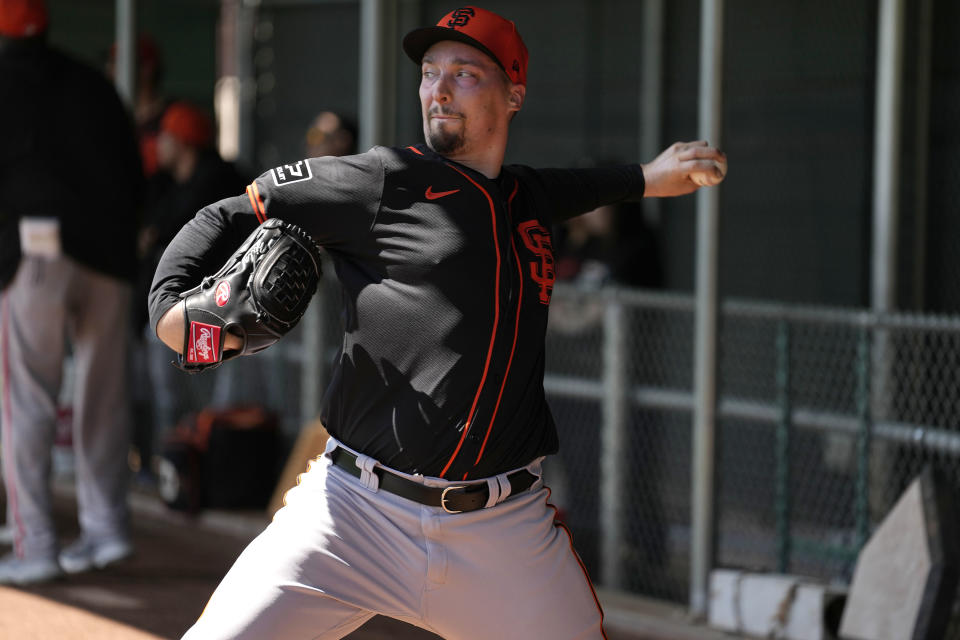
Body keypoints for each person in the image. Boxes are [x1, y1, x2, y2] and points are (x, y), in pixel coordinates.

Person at [148, 6, 726, 638]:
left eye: (465, 73)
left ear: (515, 95)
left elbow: (573, 186)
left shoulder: (525, 197)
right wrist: (171, 311)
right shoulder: (383, 180)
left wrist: (647, 177)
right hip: (352, 514)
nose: (438, 88)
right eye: (429, 72)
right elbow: (231, 211)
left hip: (503, 532)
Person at [0, 0, 144, 584]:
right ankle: (106, 531)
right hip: (108, 259)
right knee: (103, 401)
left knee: (27, 402)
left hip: (36, 252)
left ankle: (35, 544)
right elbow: (135, 173)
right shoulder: (90, 81)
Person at [134, 100, 249, 472]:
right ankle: (177, 470)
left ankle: (198, 472)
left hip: (214, 309)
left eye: (165, 137)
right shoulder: (167, 186)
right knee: (168, 395)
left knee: (205, 400)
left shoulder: (217, 182)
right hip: (177, 309)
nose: (159, 145)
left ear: (182, 141)